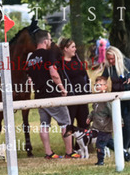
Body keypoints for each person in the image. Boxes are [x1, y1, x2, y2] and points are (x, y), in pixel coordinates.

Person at [26, 30, 79, 159]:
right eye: (50, 40)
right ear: (45, 41)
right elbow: (53, 73)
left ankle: (48, 153)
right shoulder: (48, 53)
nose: (51, 42)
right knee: (65, 123)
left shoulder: (31, 58)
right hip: (53, 94)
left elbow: (29, 78)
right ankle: (69, 152)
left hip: (39, 95)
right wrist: (62, 88)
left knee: (44, 124)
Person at [101, 46, 130, 162]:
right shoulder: (109, 67)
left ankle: (123, 148)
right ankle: (129, 146)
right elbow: (103, 78)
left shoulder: (127, 62)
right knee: (121, 123)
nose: (111, 61)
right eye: (109, 59)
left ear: (117, 56)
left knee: (127, 121)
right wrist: (100, 86)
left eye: (112, 59)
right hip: (117, 98)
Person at [58, 38, 91, 130]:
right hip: (71, 98)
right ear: (65, 49)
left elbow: (84, 75)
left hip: (83, 96)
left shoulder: (77, 59)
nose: (75, 49)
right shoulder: (60, 63)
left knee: (84, 124)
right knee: (70, 125)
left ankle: (83, 140)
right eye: (73, 47)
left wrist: (88, 89)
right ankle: (70, 140)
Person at [87, 76, 112, 166]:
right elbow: (94, 110)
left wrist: (120, 122)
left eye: (100, 85)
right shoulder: (96, 98)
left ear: (105, 86)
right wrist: (90, 117)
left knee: (99, 144)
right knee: (111, 144)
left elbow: (113, 111)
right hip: (98, 126)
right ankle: (125, 154)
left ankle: (100, 161)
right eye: (96, 85)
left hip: (105, 126)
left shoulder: (107, 99)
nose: (97, 87)